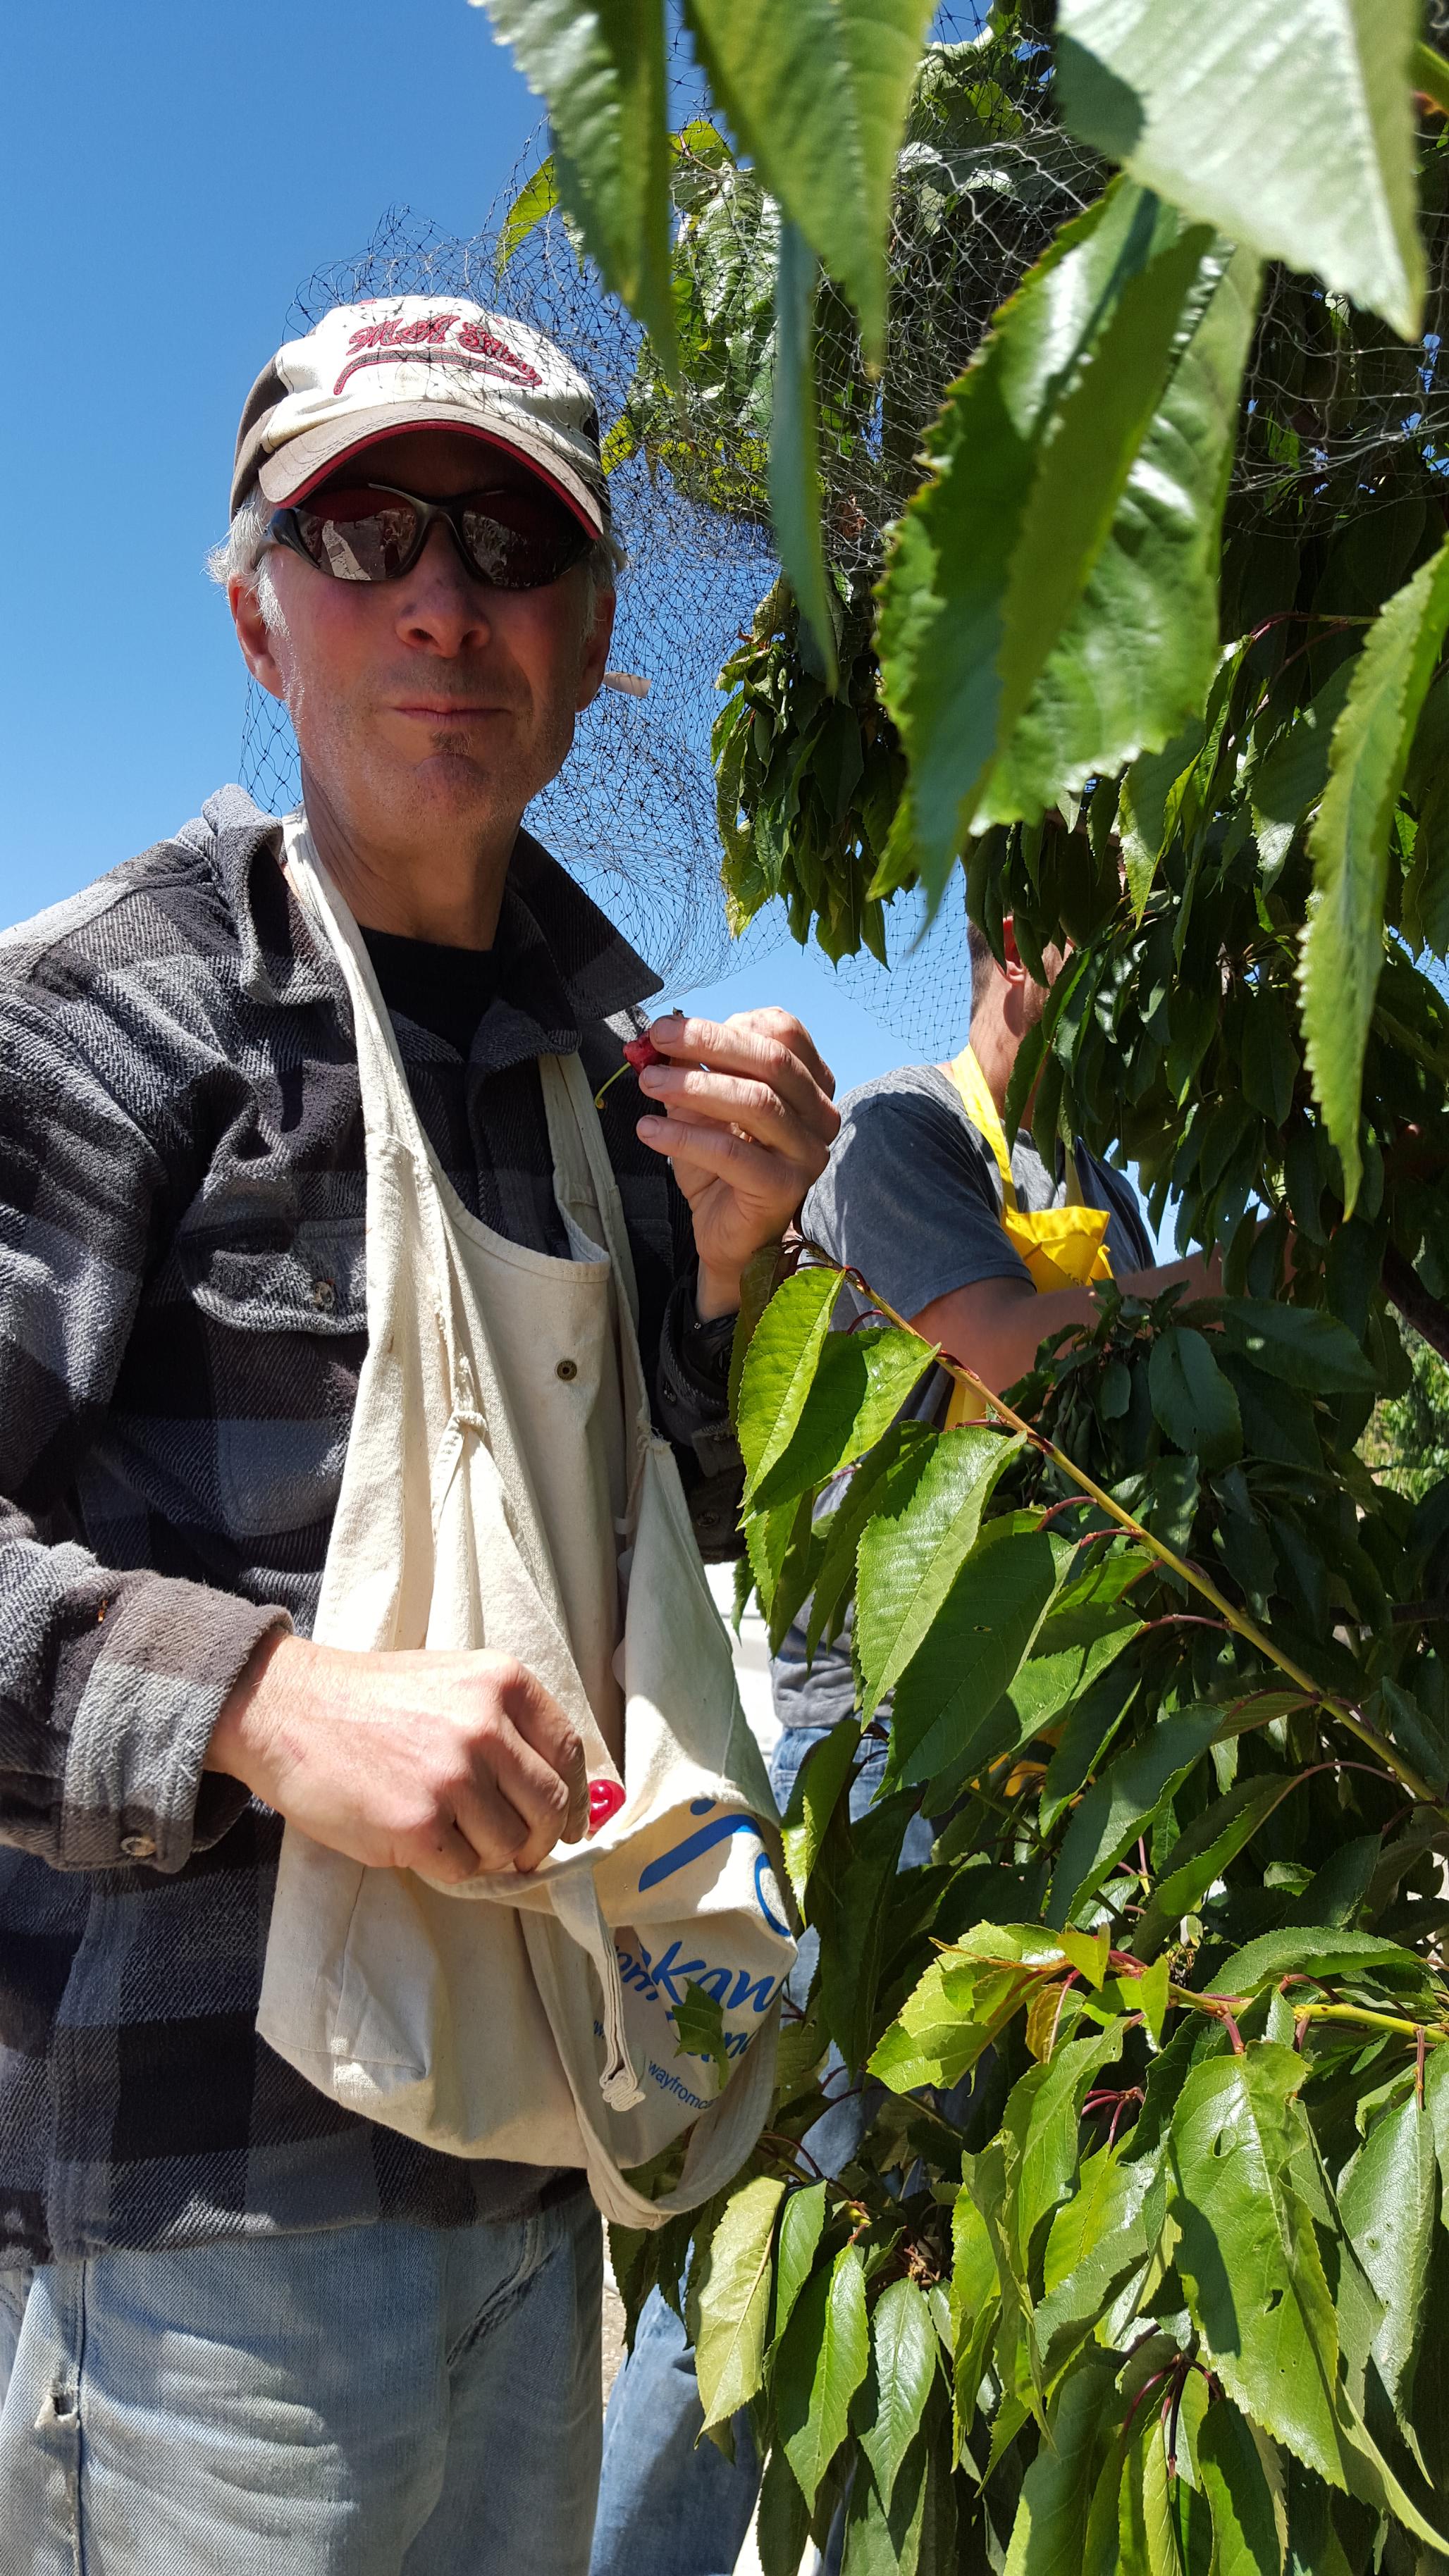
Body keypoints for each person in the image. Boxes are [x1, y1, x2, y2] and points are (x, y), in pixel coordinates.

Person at [0, 295, 839, 2576]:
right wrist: (266, 1703)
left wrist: (730, 1279)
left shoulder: (602, 1093)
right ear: (258, 609)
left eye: (511, 539)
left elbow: (653, 1556)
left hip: (524, 2124)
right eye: (366, 530)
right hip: (205, 2212)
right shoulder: (127, 1004)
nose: (442, 598)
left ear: (589, 644)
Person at [591, 914, 1220, 2576]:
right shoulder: (897, 1134)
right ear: (1018, 942)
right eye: (1106, 930)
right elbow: (990, 1349)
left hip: (1044, 1766)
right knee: (787, 2207)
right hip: (880, 1764)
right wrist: (1261, 1277)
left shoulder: (1098, 1175)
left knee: (950, 2241)